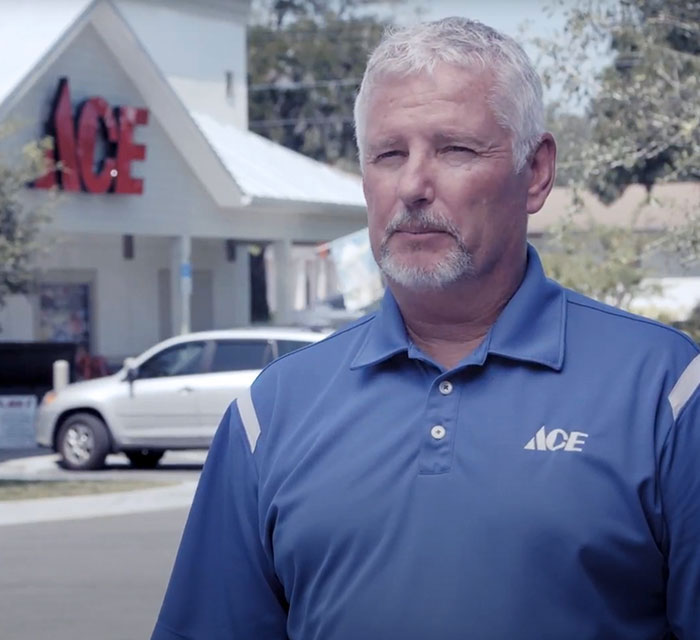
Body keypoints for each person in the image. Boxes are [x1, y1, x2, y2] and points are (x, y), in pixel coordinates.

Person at [151, 17, 699, 640]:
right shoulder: (269, 415)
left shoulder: (669, 394)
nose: (413, 185)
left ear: (536, 172)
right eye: (389, 155)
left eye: (455, 149)